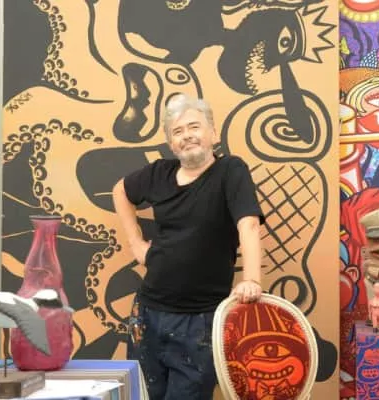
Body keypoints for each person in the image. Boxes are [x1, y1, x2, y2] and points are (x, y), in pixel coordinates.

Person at [112, 93, 265, 400]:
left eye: (194, 127)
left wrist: (251, 279)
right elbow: (121, 191)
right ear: (171, 144)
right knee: (142, 395)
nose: (187, 136)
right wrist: (136, 243)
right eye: (178, 132)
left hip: (201, 320)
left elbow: (248, 225)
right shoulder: (159, 173)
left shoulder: (230, 171)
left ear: (213, 134)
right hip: (148, 312)